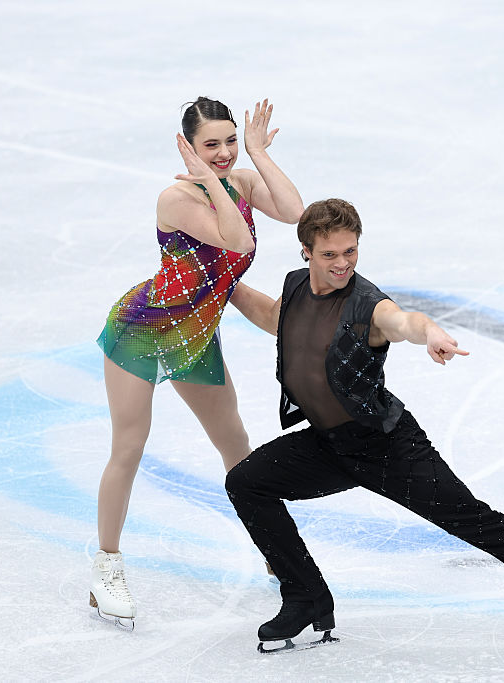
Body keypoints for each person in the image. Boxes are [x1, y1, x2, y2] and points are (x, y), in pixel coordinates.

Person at [226, 198, 504, 655]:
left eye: (350, 251)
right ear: (306, 251)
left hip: (386, 446)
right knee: (247, 482)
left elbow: (403, 321)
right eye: (330, 254)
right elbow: (276, 319)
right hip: (329, 444)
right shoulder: (295, 286)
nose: (342, 263)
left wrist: (430, 333)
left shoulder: (366, 304)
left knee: (477, 523)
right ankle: (306, 598)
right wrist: (226, 285)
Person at [90, 97, 304, 630]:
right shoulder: (177, 198)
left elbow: (295, 213)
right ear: (188, 147)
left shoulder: (242, 183)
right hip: (143, 330)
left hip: (195, 338)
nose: (225, 153)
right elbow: (237, 239)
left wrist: (259, 154)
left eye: (231, 141)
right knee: (129, 445)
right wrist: (209, 179)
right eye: (212, 145)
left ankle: (276, 549)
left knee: (236, 445)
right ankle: (105, 567)